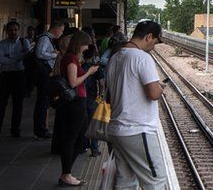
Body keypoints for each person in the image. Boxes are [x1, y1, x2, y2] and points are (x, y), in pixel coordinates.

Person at [108, 21, 168, 190]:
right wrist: (160, 87)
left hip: (117, 129)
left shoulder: (115, 57)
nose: (154, 47)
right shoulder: (142, 58)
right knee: (156, 179)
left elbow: (109, 96)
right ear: (149, 37)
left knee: (125, 181)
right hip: (137, 129)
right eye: (155, 42)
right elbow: (153, 94)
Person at [54, 31, 99, 187]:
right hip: (75, 103)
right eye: (86, 44)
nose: (87, 47)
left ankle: (67, 172)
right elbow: (73, 82)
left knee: (80, 138)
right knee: (73, 139)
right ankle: (66, 174)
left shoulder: (72, 58)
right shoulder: (71, 59)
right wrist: (89, 72)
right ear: (80, 43)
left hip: (79, 101)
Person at [0, 22, 30, 138]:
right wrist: (17, 59)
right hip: (5, 76)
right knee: (0, 104)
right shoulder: (1, 44)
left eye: (16, 30)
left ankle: (15, 129)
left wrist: (9, 58)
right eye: (11, 30)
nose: (14, 32)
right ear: (7, 31)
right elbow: (0, 59)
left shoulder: (24, 42)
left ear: (19, 30)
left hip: (19, 75)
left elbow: (26, 57)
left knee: (18, 104)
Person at [33, 21, 64, 139]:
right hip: (44, 74)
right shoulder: (45, 38)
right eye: (61, 31)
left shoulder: (49, 39)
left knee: (44, 102)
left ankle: (41, 129)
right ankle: (40, 130)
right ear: (56, 29)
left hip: (46, 73)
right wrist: (54, 55)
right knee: (42, 102)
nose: (61, 34)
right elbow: (39, 53)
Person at [82, 44, 102, 157]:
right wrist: (100, 96)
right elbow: (102, 82)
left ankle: (84, 146)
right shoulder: (95, 68)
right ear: (94, 55)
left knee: (83, 123)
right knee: (93, 125)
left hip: (81, 98)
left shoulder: (80, 66)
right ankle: (94, 149)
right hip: (92, 98)